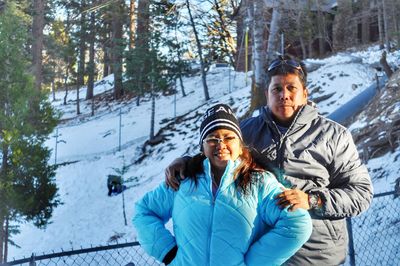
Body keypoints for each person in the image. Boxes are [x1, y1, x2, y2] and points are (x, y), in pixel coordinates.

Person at [165, 56, 373, 265]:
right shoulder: (246, 132)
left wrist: (313, 200)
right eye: (277, 89)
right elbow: (216, 151)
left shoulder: (334, 136)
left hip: (317, 256)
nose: (284, 95)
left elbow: (361, 193)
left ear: (305, 93)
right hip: (262, 255)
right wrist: (185, 162)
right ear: (267, 94)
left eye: (292, 88)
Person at [133, 104, 312, 266]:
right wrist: (168, 253)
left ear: (240, 145)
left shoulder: (260, 182)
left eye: (228, 137)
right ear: (202, 146)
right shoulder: (183, 179)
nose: (221, 144)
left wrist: (253, 263)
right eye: (212, 138)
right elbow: (144, 211)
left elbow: (297, 223)